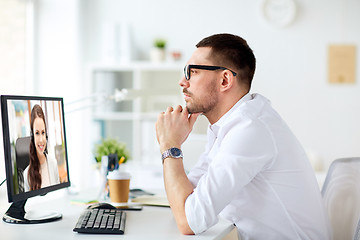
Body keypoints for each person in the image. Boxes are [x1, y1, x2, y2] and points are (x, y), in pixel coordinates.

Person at [155, 33, 331, 239]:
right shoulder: (227, 127)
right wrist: (172, 145)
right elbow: (184, 201)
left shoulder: (250, 128)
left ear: (224, 80)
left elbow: (189, 221)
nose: (182, 82)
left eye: (192, 72)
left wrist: (170, 145)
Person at [24, 104, 60, 191]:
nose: (41, 139)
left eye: (43, 132)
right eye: (37, 133)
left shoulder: (53, 164)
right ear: (32, 136)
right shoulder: (26, 174)